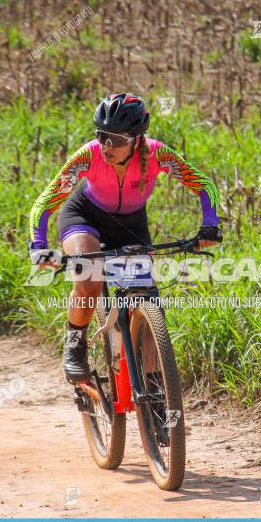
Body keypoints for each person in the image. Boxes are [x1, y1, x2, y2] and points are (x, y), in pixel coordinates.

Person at [27, 92, 223, 383]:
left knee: (145, 298)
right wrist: (39, 246)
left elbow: (204, 185)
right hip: (85, 217)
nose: (107, 146)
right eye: (102, 136)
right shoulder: (88, 156)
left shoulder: (158, 154)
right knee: (89, 279)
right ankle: (75, 347)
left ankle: (157, 388)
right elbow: (45, 203)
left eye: (116, 140)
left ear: (136, 139)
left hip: (130, 224)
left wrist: (209, 226)